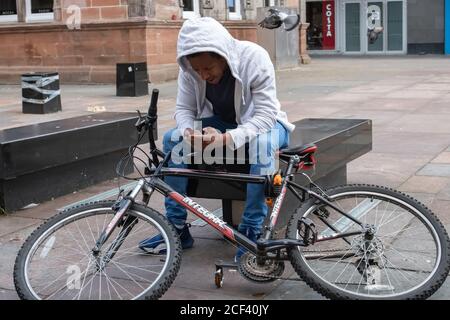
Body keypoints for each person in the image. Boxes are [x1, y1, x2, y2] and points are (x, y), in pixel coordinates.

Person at [139, 17, 295, 262]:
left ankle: (251, 232)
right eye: (197, 69)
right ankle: (176, 228)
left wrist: (225, 139)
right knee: (173, 139)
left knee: (262, 146)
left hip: (268, 124)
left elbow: (266, 115)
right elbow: (184, 109)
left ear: (223, 55)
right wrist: (190, 132)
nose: (203, 75)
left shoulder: (254, 57)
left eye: (208, 68)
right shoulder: (191, 70)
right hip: (223, 124)